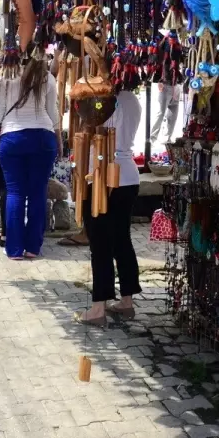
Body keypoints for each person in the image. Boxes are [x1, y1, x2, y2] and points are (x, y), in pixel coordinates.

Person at [77, 80, 143, 325]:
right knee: (121, 239)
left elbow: (95, 125)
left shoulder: (106, 100)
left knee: (100, 243)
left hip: (105, 175)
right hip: (128, 174)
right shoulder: (132, 100)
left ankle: (98, 308)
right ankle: (126, 301)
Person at [0, 52, 59, 260]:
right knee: (38, 193)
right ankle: (33, 248)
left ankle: (15, 249)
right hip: (43, 138)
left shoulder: (7, 77)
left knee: (15, 193)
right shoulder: (47, 78)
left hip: (12, 139)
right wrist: (59, 141)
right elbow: (52, 112)